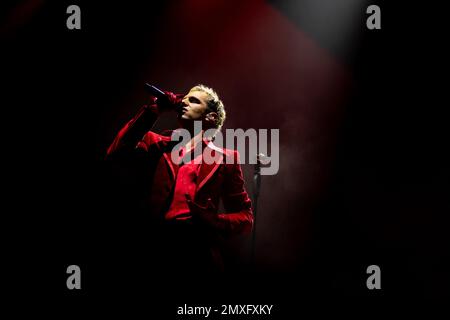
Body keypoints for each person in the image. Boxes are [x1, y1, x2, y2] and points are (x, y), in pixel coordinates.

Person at [105, 84, 253, 275]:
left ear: (211, 117)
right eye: (184, 99)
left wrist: (216, 221)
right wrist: (153, 111)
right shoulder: (155, 143)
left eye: (193, 100)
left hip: (198, 254)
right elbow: (116, 152)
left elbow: (245, 216)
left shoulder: (226, 159)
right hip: (153, 247)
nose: (184, 102)